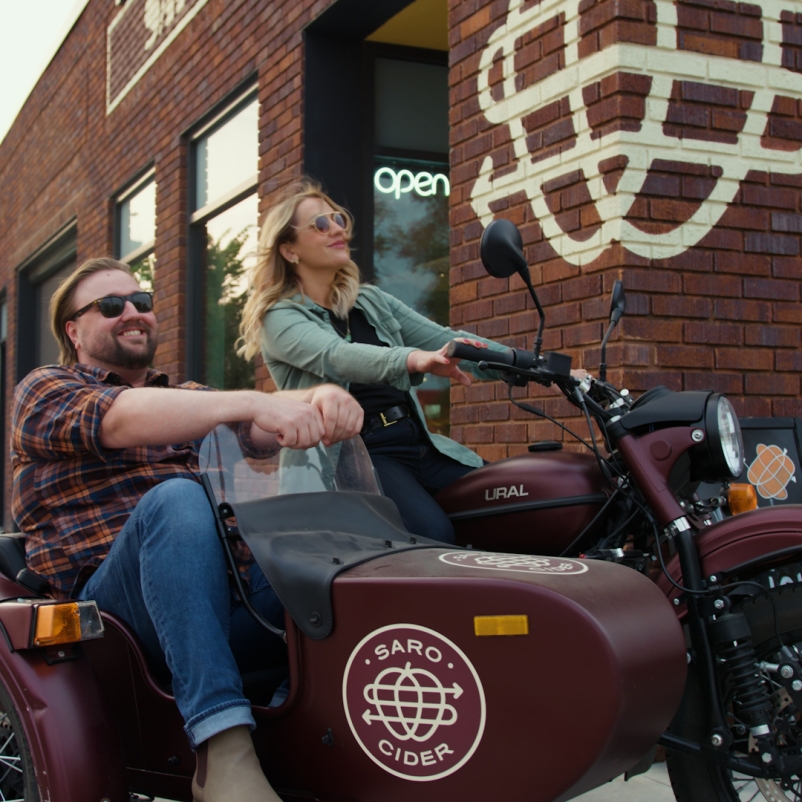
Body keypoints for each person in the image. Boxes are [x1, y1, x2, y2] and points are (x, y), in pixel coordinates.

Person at [11, 257, 363, 802]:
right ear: (73, 331)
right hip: (115, 619)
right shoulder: (44, 389)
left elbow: (261, 422)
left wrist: (320, 396)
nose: (132, 312)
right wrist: (250, 401)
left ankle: (331, 729)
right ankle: (221, 751)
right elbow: (121, 418)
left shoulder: (192, 397)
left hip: (226, 599)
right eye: (111, 306)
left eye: (142, 302)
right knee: (176, 500)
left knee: (331, 548)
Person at [237, 181, 513, 544]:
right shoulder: (279, 317)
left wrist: (530, 366)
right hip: (356, 458)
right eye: (320, 224)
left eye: (338, 218)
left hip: (419, 443)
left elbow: (447, 339)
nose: (337, 228)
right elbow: (337, 357)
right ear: (289, 250)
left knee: (520, 502)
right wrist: (414, 359)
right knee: (432, 535)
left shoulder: (370, 301)